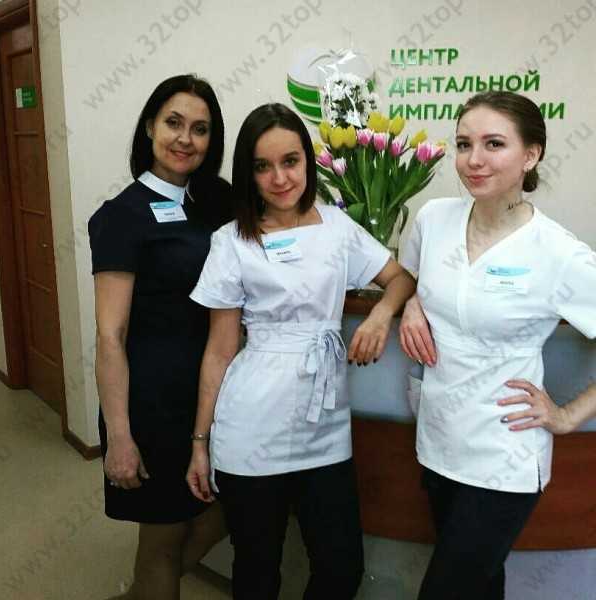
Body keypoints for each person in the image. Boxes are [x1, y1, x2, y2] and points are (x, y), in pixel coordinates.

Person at [185, 103, 417, 599]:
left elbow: (399, 278)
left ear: (308, 162)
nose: (279, 178)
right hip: (252, 425)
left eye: (290, 161)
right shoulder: (231, 241)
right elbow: (220, 350)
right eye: (262, 166)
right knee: (257, 572)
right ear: (247, 173)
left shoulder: (337, 227)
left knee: (341, 568)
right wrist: (200, 443)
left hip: (325, 425)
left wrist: (380, 315)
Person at [397, 91, 596, 600]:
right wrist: (413, 302)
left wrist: (568, 415)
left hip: (504, 455)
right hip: (439, 442)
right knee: (482, 586)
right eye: (464, 144)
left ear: (531, 154)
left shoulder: (558, 253)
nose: (474, 159)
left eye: (493, 144)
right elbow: (413, 278)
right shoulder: (434, 219)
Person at [88, 74, 232, 600]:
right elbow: (111, 336)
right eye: (174, 123)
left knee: (227, 506)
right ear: (150, 126)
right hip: (152, 402)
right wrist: (120, 436)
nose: (185, 139)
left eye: (200, 129)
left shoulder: (213, 203)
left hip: (211, 394)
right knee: (164, 536)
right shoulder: (121, 217)